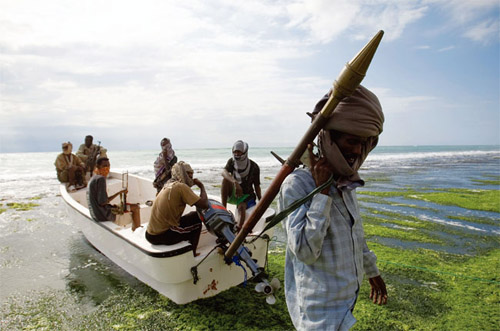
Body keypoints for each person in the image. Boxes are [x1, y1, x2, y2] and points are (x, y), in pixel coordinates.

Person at [278, 85, 388, 330]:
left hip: (347, 303)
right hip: (319, 312)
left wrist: (372, 271)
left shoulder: (345, 181)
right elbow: (305, 252)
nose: (357, 150)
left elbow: (354, 234)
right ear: (330, 137)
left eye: (363, 143)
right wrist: (322, 193)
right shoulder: (297, 185)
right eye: (351, 141)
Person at [146, 161, 208, 256]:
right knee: (196, 219)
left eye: (192, 174)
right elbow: (204, 204)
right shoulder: (181, 187)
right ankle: (192, 253)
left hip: (150, 234)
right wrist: (201, 186)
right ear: (182, 173)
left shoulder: (167, 185)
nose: (191, 177)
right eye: (189, 174)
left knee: (191, 215)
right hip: (162, 235)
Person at [87, 157, 141, 231]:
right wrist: (119, 193)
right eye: (104, 166)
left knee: (126, 206)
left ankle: (135, 230)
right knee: (135, 207)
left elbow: (102, 201)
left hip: (97, 214)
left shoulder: (93, 179)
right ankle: (137, 232)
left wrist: (120, 192)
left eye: (108, 166)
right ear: (98, 167)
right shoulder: (101, 179)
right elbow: (103, 202)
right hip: (104, 215)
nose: (107, 168)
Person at [221, 140, 261, 230]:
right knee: (225, 180)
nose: (237, 154)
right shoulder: (232, 162)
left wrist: (261, 200)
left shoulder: (254, 167)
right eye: (235, 152)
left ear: (245, 152)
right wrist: (235, 182)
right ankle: (223, 211)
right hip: (235, 193)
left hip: (246, 196)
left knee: (241, 207)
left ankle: (238, 228)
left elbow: (257, 185)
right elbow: (223, 172)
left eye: (239, 152)